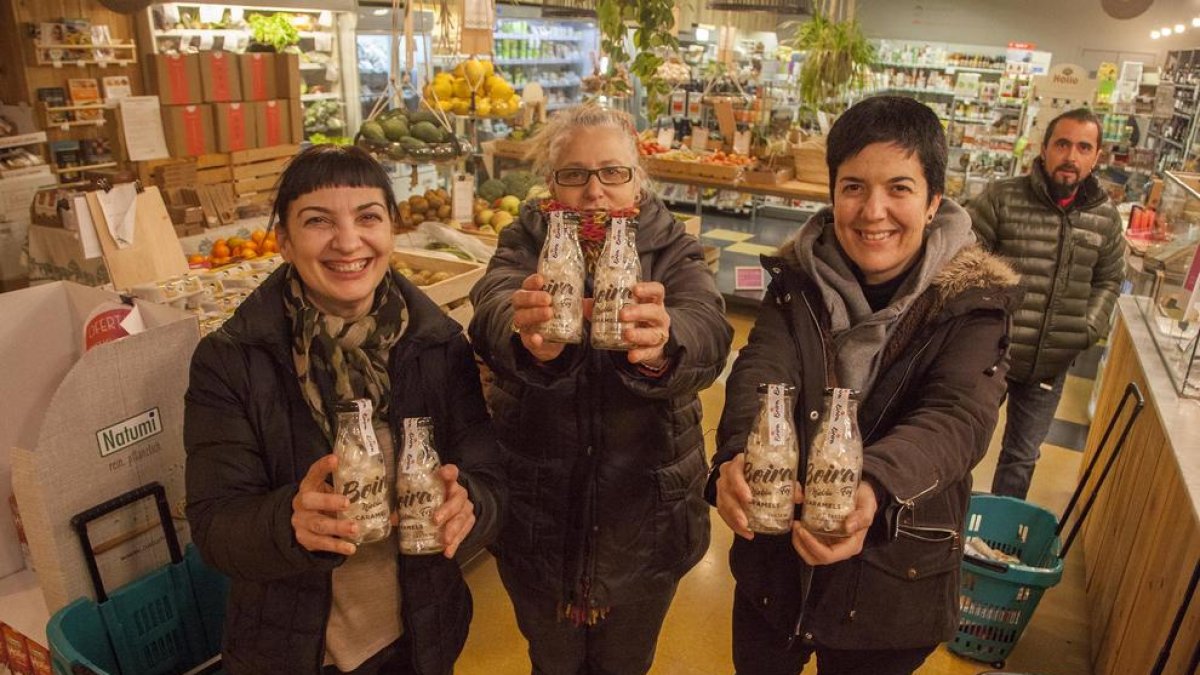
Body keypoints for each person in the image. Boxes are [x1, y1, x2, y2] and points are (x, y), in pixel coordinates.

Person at [709, 95, 1021, 674]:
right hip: (776, 568)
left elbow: (957, 416)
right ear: (833, 194)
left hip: (893, 579)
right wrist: (734, 457)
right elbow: (762, 372)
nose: (873, 211)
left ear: (933, 201)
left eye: (899, 188)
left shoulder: (973, 302)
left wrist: (872, 488)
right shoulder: (795, 279)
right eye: (853, 187)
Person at [184, 145, 504, 675]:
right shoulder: (234, 358)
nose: (349, 241)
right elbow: (215, 525)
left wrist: (472, 506)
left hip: (422, 640)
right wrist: (290, 522)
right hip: (290, 652)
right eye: (318, 222)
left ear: (392, 231)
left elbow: (489, 475)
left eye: (368, 217)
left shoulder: (436, 343)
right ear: (284, 242)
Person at [468, 104, 733, 674]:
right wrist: (520, 331)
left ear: (638, 176)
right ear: (552, 181)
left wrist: (668, 342)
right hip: (538, 514)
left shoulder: (671, 246)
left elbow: (710, 328)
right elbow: (489, 303)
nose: (595, 191)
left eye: (612, 172)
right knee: (552, 661)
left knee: (626, 663)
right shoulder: (524, 240)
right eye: (575, 174)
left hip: (646, 515)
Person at [967, 108, 1126, 500]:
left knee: (1021, 459)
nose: (1071, 155)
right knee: (962, 444)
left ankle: (995, 544)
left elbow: (1108, 279)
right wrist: (983, 326)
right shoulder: (1002, 198)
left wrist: (1086, 329)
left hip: (1050, 365)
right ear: (1044, 149)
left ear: (1096, 156)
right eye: (1063, 144)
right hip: (991, 356)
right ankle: (940, 530)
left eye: (1083, 147)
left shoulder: (1104, 218)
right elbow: (967, 260)